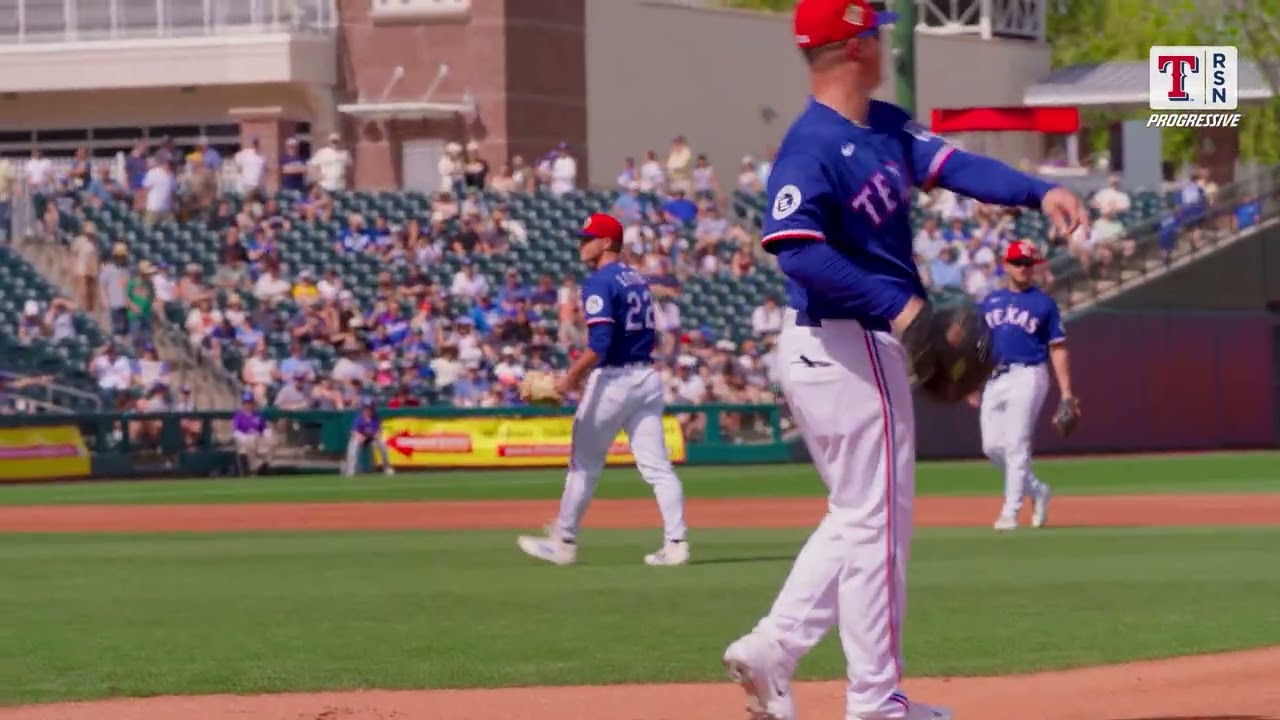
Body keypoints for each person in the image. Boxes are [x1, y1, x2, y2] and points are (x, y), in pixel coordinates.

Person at [718, 3, 1089, 720]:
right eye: (876, 32)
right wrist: (901, 308)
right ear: (855, 47)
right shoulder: (811, 146)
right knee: (879, 527)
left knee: (858, 514)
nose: (886, 41)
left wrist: (1041, 190)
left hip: (839, 347)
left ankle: (772, 648)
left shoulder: (883, 125)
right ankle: (876, 702)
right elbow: (796, 249)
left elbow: (959, 166)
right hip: (846, 343)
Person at [516, 213, 689, 567]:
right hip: (646, 377)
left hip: (614, 381)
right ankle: (676, 543)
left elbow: (599, 344)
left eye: (588, 238)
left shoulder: (599, 281)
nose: (582, 245)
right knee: (658, 468)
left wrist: (568, 379)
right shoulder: (636, 278)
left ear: (606, 242)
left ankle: (564, 541)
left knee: (583, 464)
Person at [971, 241, 1076, 530]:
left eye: (1028, 263)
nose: (1023, 268)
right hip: (994, 377)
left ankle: (1010, 512)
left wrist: (1067, 392)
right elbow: (981, 345)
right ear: (1006, 265)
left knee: (1016, 444)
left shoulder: (1044, 304)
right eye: (1017, 262)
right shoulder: (989, 302)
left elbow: (1058, 347)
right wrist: (972, 380)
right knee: (992, 447)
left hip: (1029, 373)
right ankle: (1038, 490)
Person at [343, 397, 395, 477]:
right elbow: (353, 431)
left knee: (382, 443)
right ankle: (351, 469)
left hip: (371, 439)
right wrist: (359, 436)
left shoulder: (375, 418)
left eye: (370, 408)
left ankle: (387, 467)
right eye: (366, 408)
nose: (368, 410)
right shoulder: (359, 418)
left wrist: (371, 435)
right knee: (354, 443)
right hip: (360, 438)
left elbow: (378, 432)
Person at [231, 392, 276, 475]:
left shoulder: (258, 414)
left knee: (272, 440)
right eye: (246, 403)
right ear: (243, 404)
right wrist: (243, 437)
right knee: (250, 440)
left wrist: (268, 434)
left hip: (258, 437)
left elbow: (264, 428)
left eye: (250, 403)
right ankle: (254, 466)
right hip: (245, 438)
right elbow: (236, 431)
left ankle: (266, 463)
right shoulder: (239, 415)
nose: (248, 405)